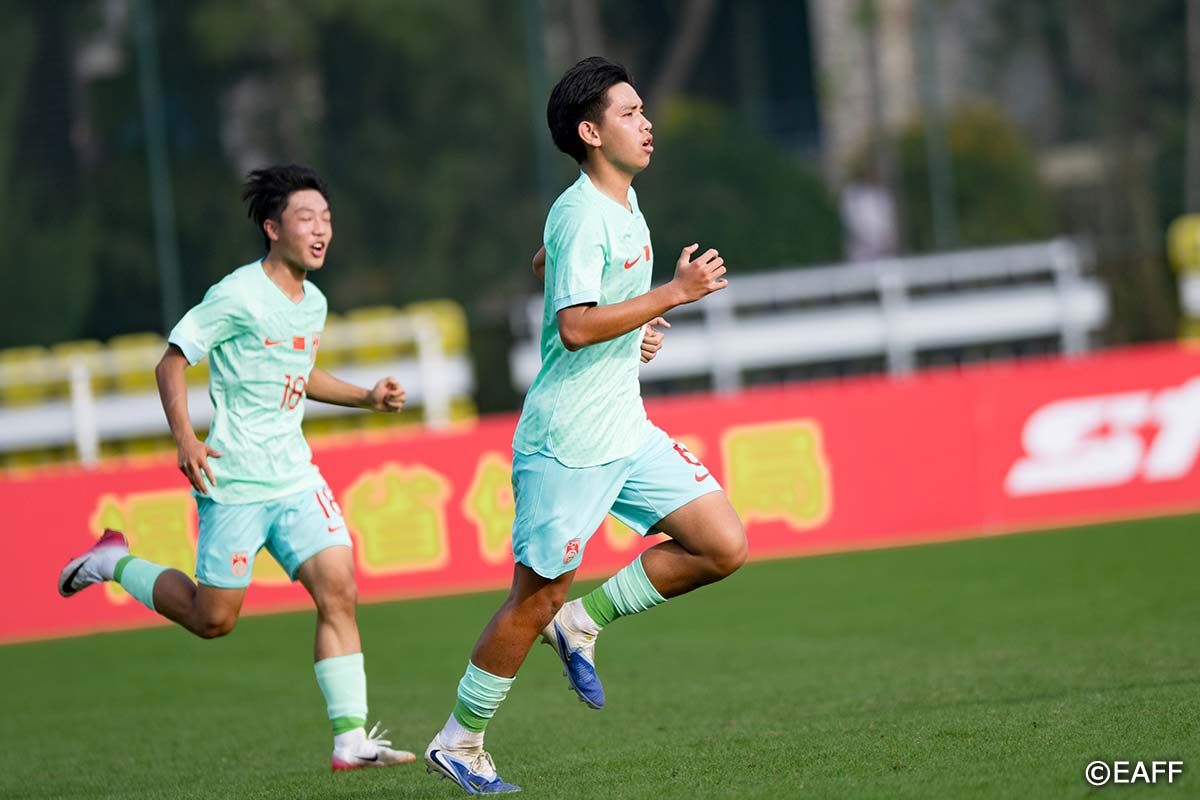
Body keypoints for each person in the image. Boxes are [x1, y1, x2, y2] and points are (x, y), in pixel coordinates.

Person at [424, 57, 748, 795]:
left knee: (721, 544)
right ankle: (459, 741)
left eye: (643, 110)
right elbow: (573, 327)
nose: (647, 123)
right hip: (567, 442)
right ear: (591, 133)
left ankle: (582, 622)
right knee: (532, 598)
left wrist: (630, 330)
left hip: (624, 428)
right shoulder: (581, 211)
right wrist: (671, 294)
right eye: (630, 113)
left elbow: (550, 266)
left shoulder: (619, 202)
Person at [58, 164, 417, 772]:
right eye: (307, 218)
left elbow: (299, 373)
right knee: (212, 619)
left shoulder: (314, 302)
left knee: (339, 591)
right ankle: (111, 561)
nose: (321, 230)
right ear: (273, 228)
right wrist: (185, 439)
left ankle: (350, 740)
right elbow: (171, 362)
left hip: (296, 477)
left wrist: (365, 398)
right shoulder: (237, 294)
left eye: (327, 219)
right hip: (235, 482)